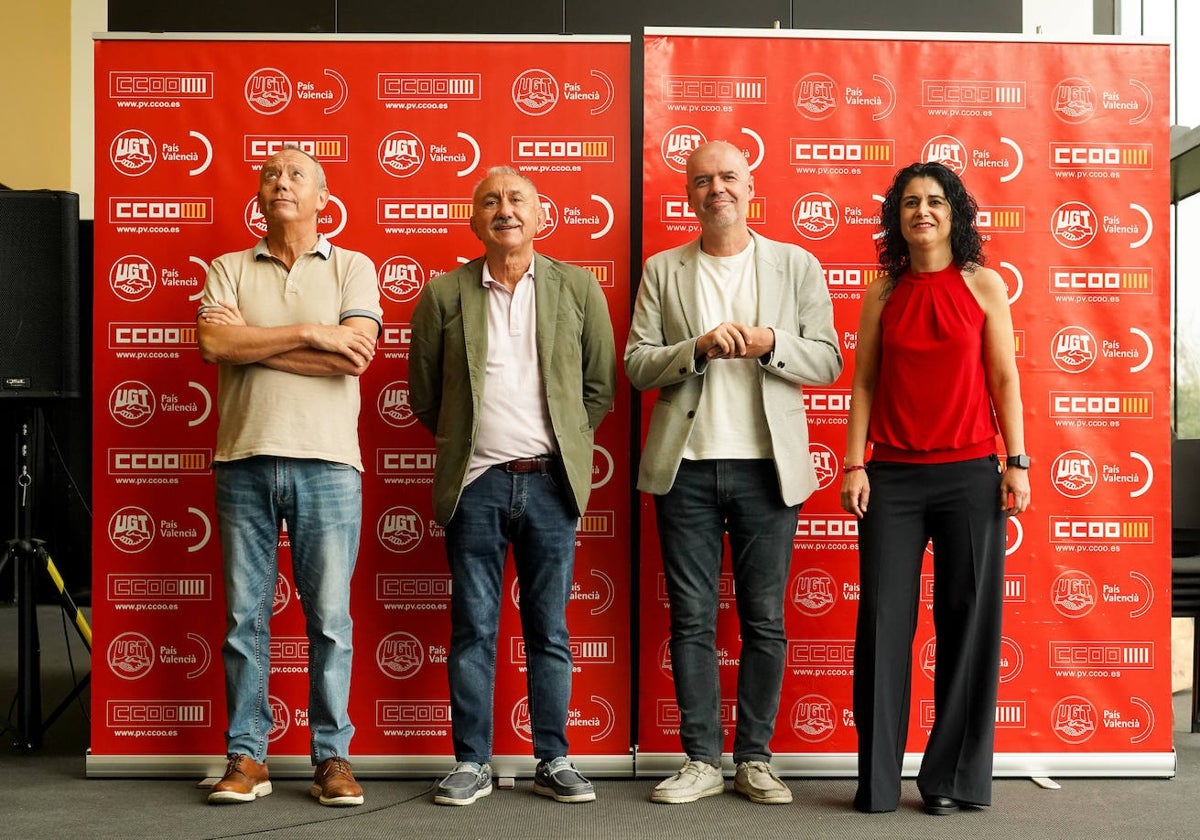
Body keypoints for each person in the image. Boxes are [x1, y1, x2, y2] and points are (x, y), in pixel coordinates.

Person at [625, 140, 843, 805]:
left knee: (765, 622)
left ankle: (754, 759)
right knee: (690, 621)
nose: (715, 188)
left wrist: (772, 342)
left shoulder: (795, 263)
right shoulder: (664, 269)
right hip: (684, 468)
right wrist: (694, 349)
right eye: (702, 180)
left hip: (767, 471)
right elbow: (636, 364)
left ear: (751, 187)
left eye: (728, 177)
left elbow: (830, 361)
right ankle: (699, 761)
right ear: (689, 195)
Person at [408, 166, 617, 806]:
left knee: (549, 630)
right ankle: (471, 761)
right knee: (473, 629)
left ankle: (553, 758)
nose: (504, 209)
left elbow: (599, 388)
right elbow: (424, 396)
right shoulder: (444, 295)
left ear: (541, 215)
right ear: (474, 220)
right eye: (490, 200)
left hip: (550, 484)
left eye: (517, 198)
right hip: (476, 486)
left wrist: (561, 447)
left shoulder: (578, 288)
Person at [840, 161, 1031, 816]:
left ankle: (951, 779)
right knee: (883, 626)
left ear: (955, 215)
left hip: (971, 476)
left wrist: (1019, 461)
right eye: (911, 203)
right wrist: (853, 463)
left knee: (967, 625)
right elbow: (863, 382)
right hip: (891, 476)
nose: (923, 211)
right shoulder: (882, 292)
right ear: (897, 217)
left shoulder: (984, 285)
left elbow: (1004, 379)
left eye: (936, 202)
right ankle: (877, 783)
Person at [197, 146, 382, 807]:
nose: (280, 182)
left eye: (296, 174)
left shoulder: (354, 267)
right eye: (270, 174)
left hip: (329, 465)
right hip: (242, 459)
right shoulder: (227, 267)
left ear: (323, 197)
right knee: (244, 619)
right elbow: (216, 345)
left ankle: (332, 759)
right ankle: (247, 757)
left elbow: (353, 356)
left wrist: (258, 342)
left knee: (330, 620)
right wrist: (311, 333)